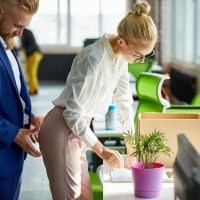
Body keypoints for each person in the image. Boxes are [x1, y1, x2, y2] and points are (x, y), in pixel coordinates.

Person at [39, 2, 157, 200]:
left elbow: (124, 101)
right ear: (122, 42)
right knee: (70, 196)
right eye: (138, 56)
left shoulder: (120, 58)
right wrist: (102, 151)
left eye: (145, 56)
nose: (139, 61)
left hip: (79, 129)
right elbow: (71, 113)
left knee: (85, 196)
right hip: (63, 127)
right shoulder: (93, 58)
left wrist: (132, 148)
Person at [0, 0, 42, 199]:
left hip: (11, 159)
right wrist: (14, 132)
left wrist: (29, 117)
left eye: (24, 27)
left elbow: (11, 94)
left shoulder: (7, 43)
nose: (20, 33)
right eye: (17, 25)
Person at [20, 28, 43, 95]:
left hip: (35, 54)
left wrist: (24, 49)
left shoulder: (27, 32)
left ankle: (33, 90)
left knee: (31, 72)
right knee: (29, 71)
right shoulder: (24, 33)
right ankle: (34, 89)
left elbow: (32, 45)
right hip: (31, 54)